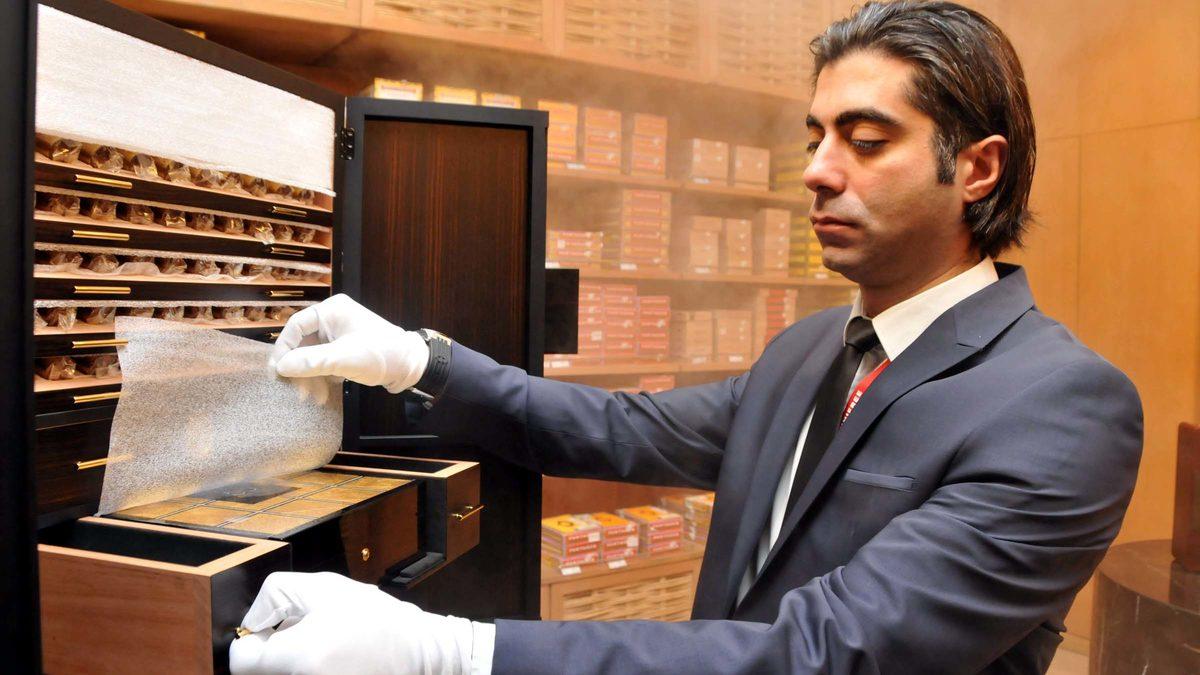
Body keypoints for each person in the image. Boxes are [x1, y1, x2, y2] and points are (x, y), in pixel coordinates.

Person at [230, 2, 1143, 673]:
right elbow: (623, 430)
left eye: (865, 139)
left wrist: (457, 653)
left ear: (977, 168)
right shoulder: (812, 348)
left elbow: (832, 651)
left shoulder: (1060, 405)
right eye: (816, 137)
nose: (818, 171)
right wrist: (418, 361)